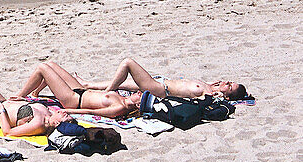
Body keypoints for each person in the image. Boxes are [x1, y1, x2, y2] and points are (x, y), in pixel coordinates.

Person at [75, 57, 248, 100]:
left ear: (227, 96)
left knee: (128, 63)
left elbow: (203, 100)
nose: (227, 82)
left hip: (161, 90)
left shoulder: (208, 95)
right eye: (230, 81)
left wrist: (216, 95)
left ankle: (107, 92)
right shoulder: (210, 86)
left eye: (230, 86)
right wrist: (216, 85)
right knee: (127, 84)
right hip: (161, 82)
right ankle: (88, 84)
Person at [17, 61, 141, 119]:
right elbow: (135, 83)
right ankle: (35, 93)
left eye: (141, 96)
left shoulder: (120, 108)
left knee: (42, 68)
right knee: (51, 65)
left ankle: (20, 96)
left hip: (74, 100)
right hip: (82, 91)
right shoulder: (124, 97)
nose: (139, 93)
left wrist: (66, 110)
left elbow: (92, 112)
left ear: (138, 105)